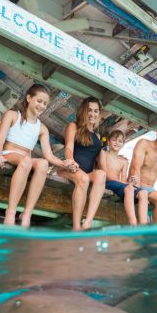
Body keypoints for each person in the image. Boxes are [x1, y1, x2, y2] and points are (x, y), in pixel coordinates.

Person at [0, 84, 76, 228]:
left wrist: (66, 164)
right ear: (29, 98)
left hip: (26, 160)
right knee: (26, 160)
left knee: (43, 163)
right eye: (39, 101)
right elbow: (0, 137)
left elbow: (49, 156)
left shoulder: (42, 128)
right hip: (9, 153)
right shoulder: (12, 115)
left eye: (45, 103)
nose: (42, 105)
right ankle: (11, 211)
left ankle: (27, 212)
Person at [57, 96, 106, 230]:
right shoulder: (74, 126)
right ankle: (76, 227)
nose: (92, 114)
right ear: (84, 110)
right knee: (83, 178)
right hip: (69, 169)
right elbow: (68, 147)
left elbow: (101, 164)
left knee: (101, 174)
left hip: (86, 173)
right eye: (89, 110)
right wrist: (70, 161)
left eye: (96, 111)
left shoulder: (97, 136)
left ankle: (88, 222)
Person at [99, 130, 149, 226]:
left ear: (123, 144)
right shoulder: (103, 154)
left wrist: (130, 182)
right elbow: (104, 173)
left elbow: (123, 180)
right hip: (107, 182)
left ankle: (143, 225)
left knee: (144, 192)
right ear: (108, 141)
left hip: (120, 186)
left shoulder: (124, 161)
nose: (117, 143)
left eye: (120, 141)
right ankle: (132, 222)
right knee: (129, 188)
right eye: (114, 140)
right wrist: (127, 185)